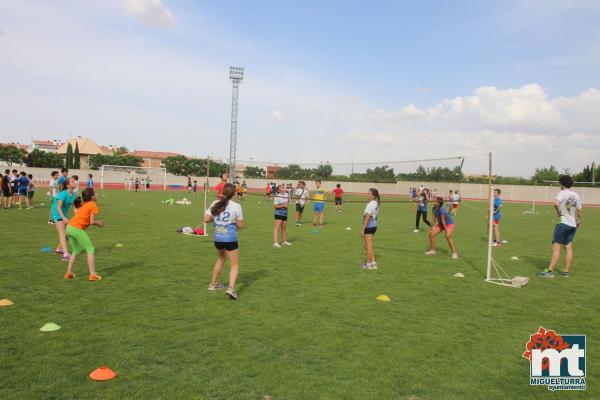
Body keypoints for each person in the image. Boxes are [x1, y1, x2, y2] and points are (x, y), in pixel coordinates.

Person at [537, 175, 583, 278]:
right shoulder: (576, 195)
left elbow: (555, 203)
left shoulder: (562, 193)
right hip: (572, 224)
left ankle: (549, 271)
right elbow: (579, 210)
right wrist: (579, 221)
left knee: (556, 247)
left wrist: (558, 212)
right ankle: (565, 272)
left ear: (562, 183)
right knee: (568, 247)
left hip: (564, 223)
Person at [204, 183, 244, 300]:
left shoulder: (216, 203)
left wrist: (217, 219)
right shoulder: (236, 206)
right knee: (234, 264)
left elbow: (206, 219)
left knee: (221, 258)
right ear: (234, 193)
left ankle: (213, 284)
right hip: (230, 238)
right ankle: (231, 289)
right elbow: (240, 225)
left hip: (217, 237)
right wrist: (236, 223)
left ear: (222, 192)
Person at [64, 188, 104, 281]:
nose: (96, 194)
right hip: (76, 228)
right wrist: (98, 224)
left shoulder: (85, 204)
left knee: (76, 250)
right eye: (95, 193)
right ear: (92, 196)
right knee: (90, 249)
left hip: (69, 227)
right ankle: (93, 274)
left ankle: (68, 273)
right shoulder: (92, 205)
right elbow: (91, 222)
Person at [51, 177, 78, 261]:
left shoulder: (74, 194)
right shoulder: (63, 193)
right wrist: (63, 218)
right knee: (62, 233)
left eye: (74, 181)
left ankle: (59, 249)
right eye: (72, 181)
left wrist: (77, 216)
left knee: (68, 233)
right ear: (68, 185)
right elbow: (58, 206)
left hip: (64, 214)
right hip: (57, 214)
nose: (75, 182)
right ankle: (65, 255)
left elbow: (75, 207)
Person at [361, 188, 380, 270]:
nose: (367, 195)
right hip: (373, 226)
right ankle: (373, 262)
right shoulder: (376, 203)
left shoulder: (371, 204)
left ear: (373, 196)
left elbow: (368, 217)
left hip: (369, 226)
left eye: (369, 194)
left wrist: (363, 228)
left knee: (368, 245)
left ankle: (369, 264)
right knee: (366, 244)